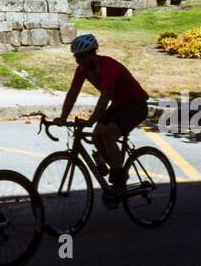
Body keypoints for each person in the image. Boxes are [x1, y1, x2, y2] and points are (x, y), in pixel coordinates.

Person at [58, 33, 149, 202]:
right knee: (97, 135)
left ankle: (117, 182)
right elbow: (72, 93)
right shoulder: (82, 70)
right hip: (119, 105)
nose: (79, 61)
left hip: (136, 105)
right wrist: (62, 117)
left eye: (82, 56)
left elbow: (105, 96)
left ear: (93, 54)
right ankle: (119, 172)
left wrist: (91, 120)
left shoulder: (108, 66)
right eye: (76, 57)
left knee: (108, 133)